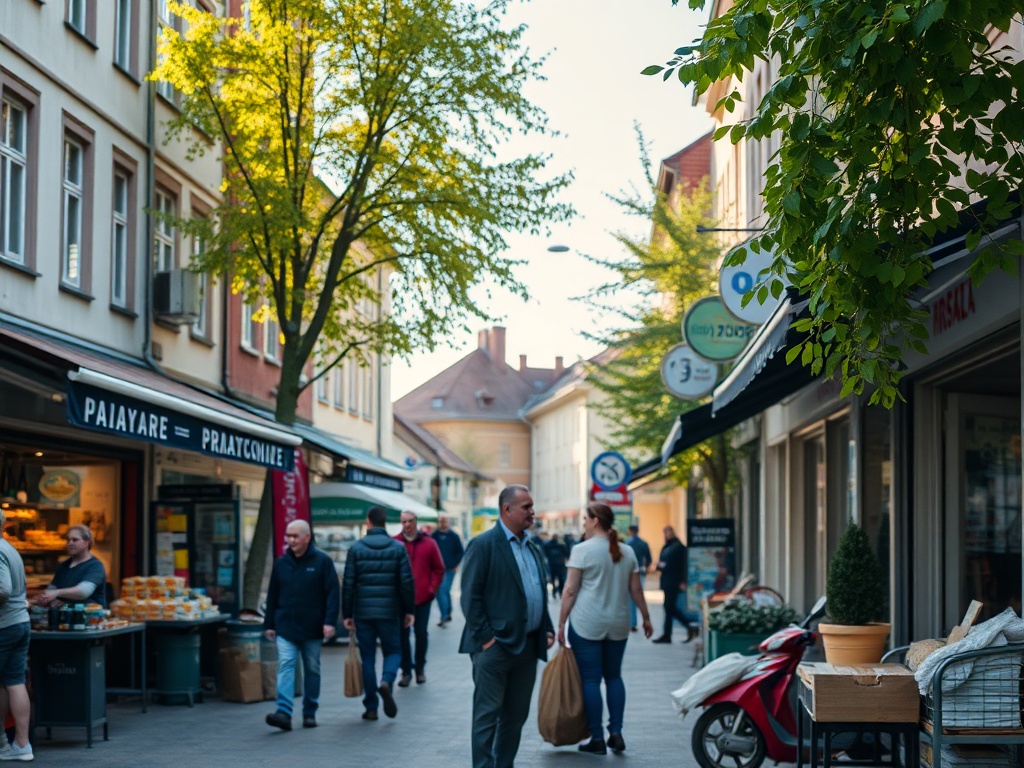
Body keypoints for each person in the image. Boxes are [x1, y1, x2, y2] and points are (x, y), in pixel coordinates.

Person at [460, 484, 555, 768]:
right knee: (487, 716)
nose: (532, 512)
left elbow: (537, 590)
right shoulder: (484, 545)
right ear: (507, 509)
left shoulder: (532, 547)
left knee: (515, 717)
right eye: (526, 507)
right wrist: (487, 638)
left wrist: (546, 626)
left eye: (531, 506)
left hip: (527, 646)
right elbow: (469, 597)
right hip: (496, 648)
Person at [558, 503, 653, 755]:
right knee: (613, 676)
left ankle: (597, 738)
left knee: (590, 679)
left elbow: (569, 591)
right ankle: (617, 732)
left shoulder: (581, 551)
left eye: (586, 520)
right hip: (618, 623)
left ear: (596, 521)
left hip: (587, 623)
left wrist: (560, 623)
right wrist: (645, 618)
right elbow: (636, 590)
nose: (584, 524)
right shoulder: (627, 551)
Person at [263, 520, 339, 731]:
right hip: (286, 626)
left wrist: (329, 622)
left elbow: (333, 593)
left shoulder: (322, 561)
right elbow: (273, 595)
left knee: (312, 669)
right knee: (286, 665)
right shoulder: (282, 563)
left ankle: (309, 712)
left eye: (295, 536)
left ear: (307, 537)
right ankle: (284, 713)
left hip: (313, 627)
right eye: (288, 536)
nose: (291, 540)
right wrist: (269, 623)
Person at [342, 506, 414, 721]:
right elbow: (406, 583)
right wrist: (409, 610)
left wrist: (347, 613)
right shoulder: (398, 548)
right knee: (393, 652)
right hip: (391, 611)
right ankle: (387, 682)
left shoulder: (356, 549)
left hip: (363, 612)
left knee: (368, 658)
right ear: (385, 522)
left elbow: (348, 584)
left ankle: (371, 707)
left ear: (368, 522)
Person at [395, 511, 444, 686]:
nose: (406, 525)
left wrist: (432, 590)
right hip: (401, 599)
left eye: (409, 521)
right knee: (402, 636)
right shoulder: (395, 542)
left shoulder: (429, 543)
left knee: (421, 634)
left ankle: (420, 669)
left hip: (423, 598)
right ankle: (406, 671)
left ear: (416, 522)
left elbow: (439, 569)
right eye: (403, 522)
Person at [0, 508, 32, 761]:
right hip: (20, 622)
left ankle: (3, 744)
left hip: (4, 625)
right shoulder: (9, 547)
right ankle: (21, 746)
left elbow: (3, 589)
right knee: (13, 682)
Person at [34, 525, 107, 609]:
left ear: (87, 542)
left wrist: (56, 593)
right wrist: (48, 599)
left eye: (75, 540)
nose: (70, 543)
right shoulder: (64, 565)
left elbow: (83, 591)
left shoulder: (95, 566)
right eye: (68, 540)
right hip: (66, 618)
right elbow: (52, 589)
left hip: (91, 618)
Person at [652, 525, 695, 644]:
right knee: (668, 608)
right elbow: (662, 563)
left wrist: (683, 580)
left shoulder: (678, 547)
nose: (666, 535)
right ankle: (668, 634)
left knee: (669, 607)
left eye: (668, 532)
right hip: (667, 580)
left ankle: (688, 626)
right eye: (665, 533)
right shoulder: (667, 547)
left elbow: (679, 565)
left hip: (674, 581)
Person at [431, 514, 464, 627]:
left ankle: (444, 615)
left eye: (445, 521)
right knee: (444, 591)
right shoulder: (434, 536)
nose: (443, 523)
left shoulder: (454, 536)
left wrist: (455, 564)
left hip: (450, 569)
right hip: (436, 569)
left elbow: (460, 552)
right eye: (441, 521)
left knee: (442, 590)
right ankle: (447, 612)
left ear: (448, 522)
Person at [624, 525, 652, 631]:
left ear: (630, 531)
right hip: (640, 571)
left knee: (630, 599)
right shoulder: (643, 543)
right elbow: (649, 559)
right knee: (638, 595)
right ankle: (639, 620)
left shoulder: (627, 543)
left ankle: (632, 623)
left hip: (629, 572)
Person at [543, 533, 569, 597]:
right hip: (560, 564)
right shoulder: (561, 545)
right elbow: (566, 553)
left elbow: (546, 553)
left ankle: (554, 592)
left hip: (552, 564)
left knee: (553, 579)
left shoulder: (548, 545)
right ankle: (560, 592)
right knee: (561, 579)